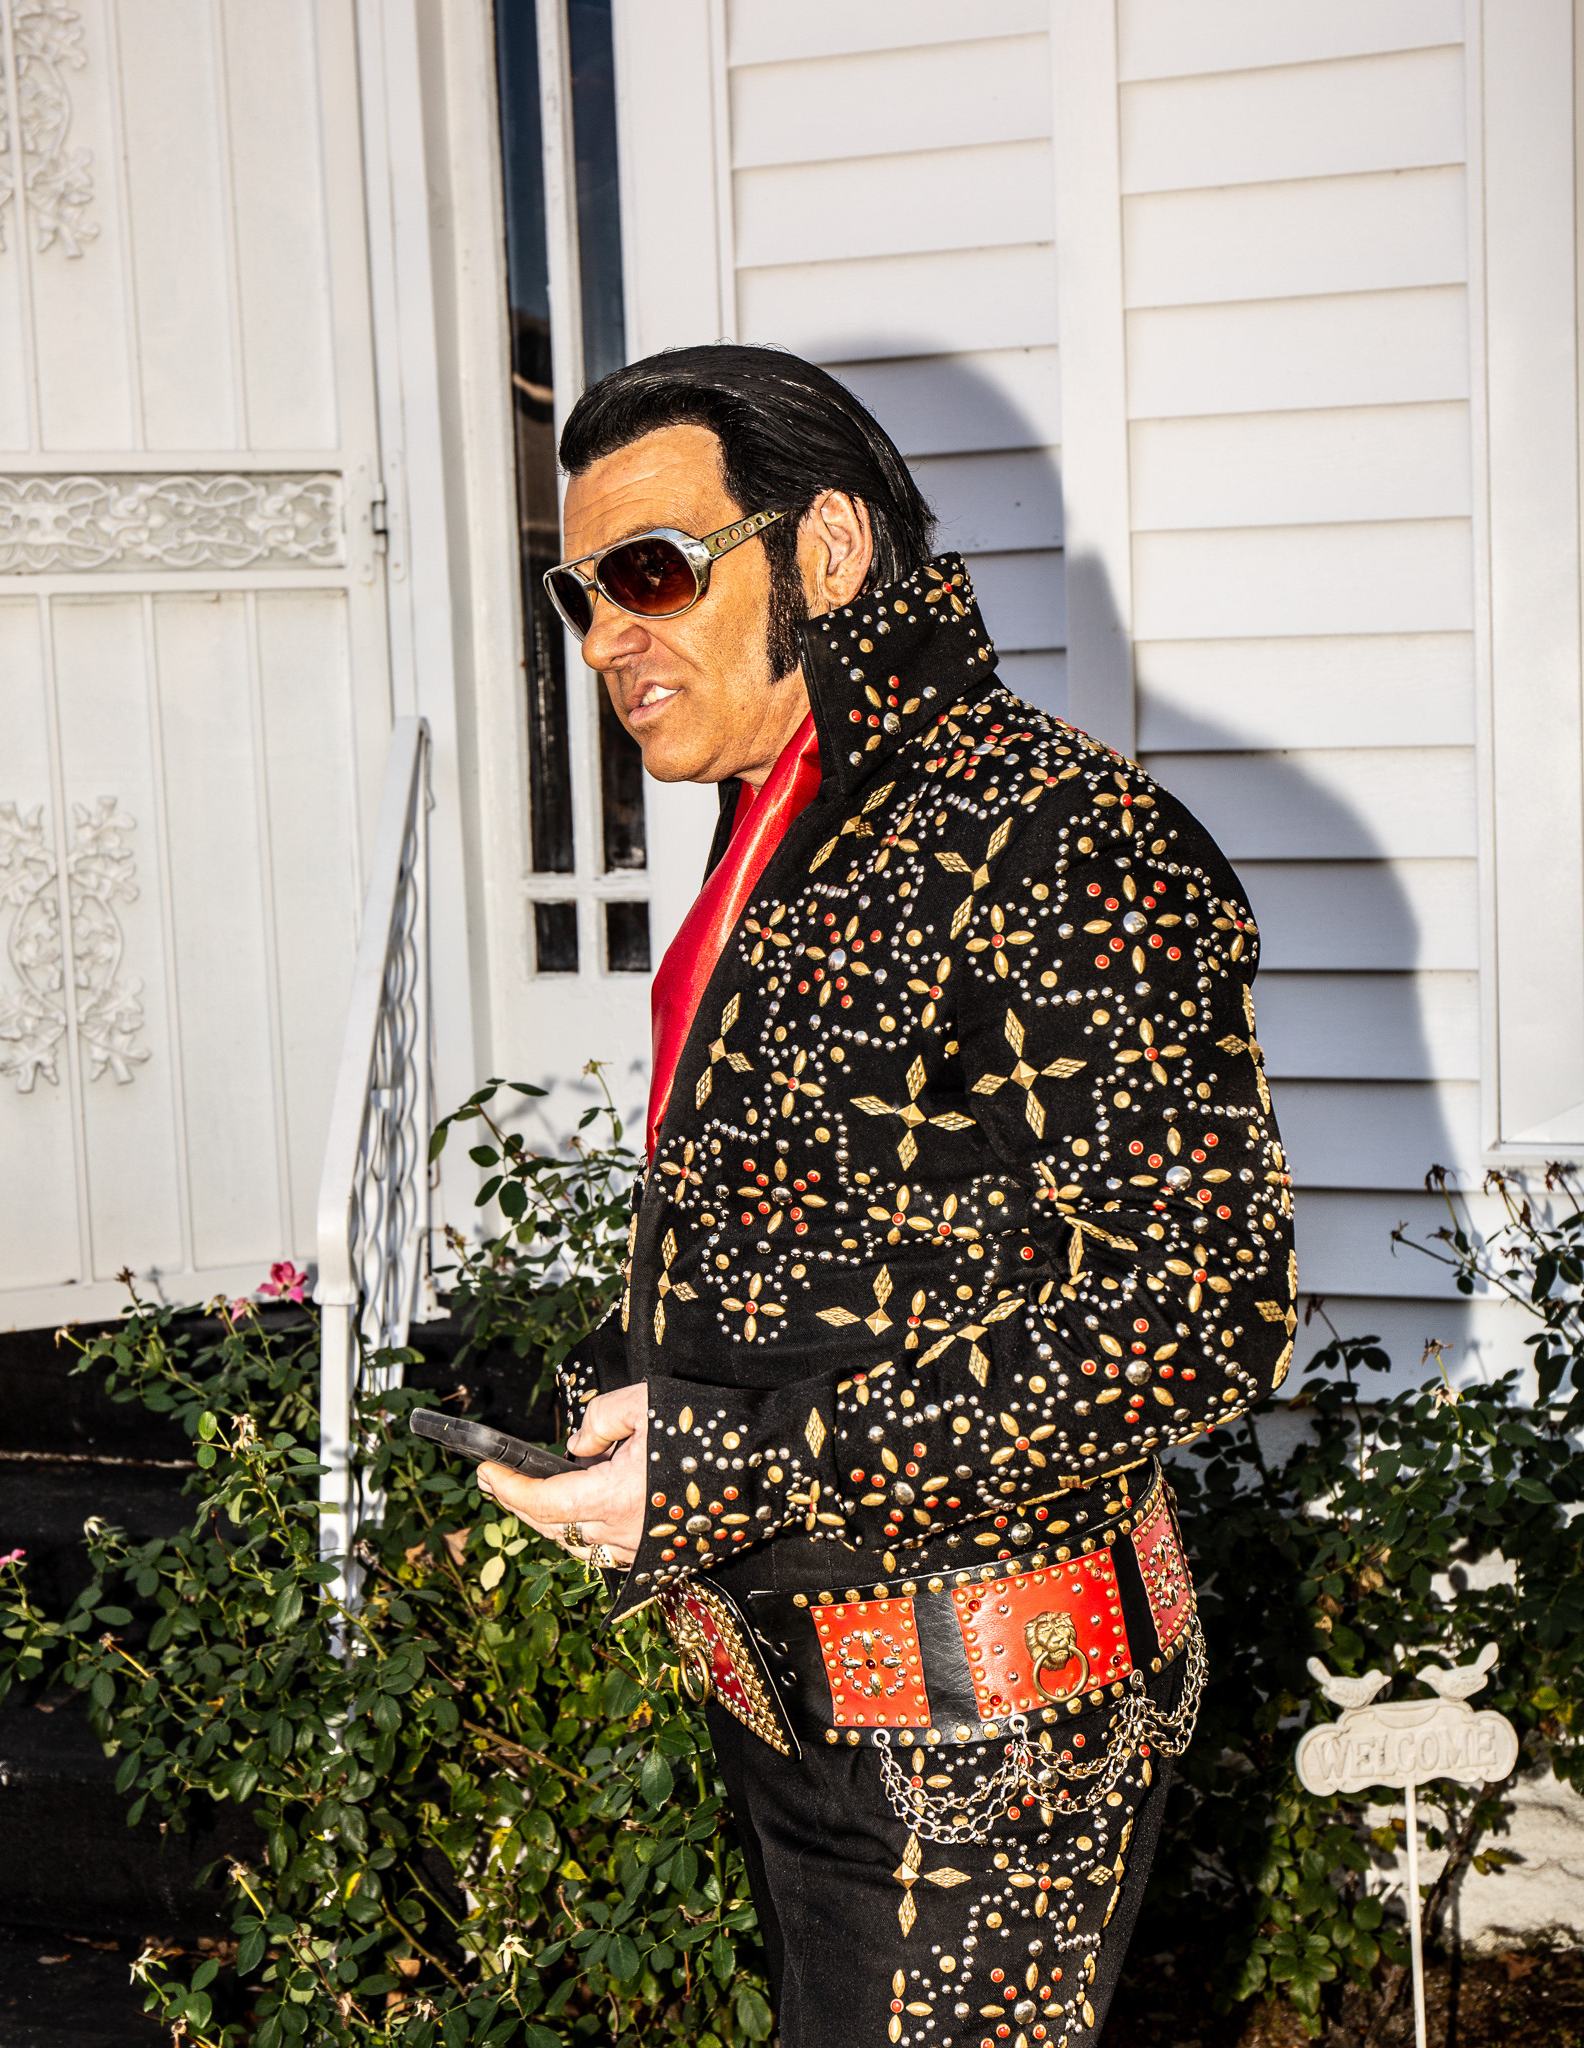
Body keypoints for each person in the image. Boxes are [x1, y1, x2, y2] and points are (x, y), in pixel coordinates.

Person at [477, 345, 1296, 2048]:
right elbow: (847, 1228)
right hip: (802, 1689)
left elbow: (1198, 1312)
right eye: (581, 592)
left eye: (650, 573)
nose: (607, 638)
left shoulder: (1058, 837)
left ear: (828, 550)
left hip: (982, 1724)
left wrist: (751, 1464)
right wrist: (650, 1397)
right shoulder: (791, 820)